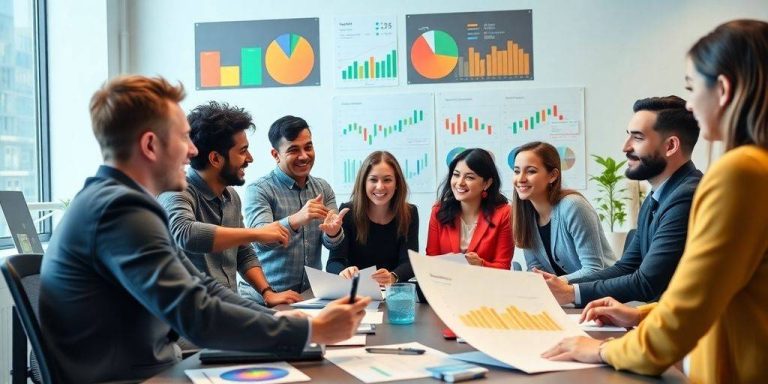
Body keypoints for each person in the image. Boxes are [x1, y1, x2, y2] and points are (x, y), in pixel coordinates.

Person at [39, 76, 370, 383]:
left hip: (149, 366)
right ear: (151, 145)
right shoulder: (118, 211)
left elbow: (203, 288)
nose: (193, 150)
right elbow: (197, 314)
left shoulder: (124, 202)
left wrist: (297, 323)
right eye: (184, 137)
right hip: (134, 376)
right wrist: (310, 331)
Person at [543, 20, 768, 383]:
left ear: (723, 89)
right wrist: (641, 315)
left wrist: (601, 350)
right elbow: (717, 290)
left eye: (693, 89)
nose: (691, 106)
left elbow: (689, 307)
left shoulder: (739, 172)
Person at [539, 96, 702, 306]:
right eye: (628, 136)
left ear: (670, 145)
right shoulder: (658, 197)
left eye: (638, 138)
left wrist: (571, 293)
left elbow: (647, 282)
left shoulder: (687, 197)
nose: (625, 147)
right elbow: (626, 266)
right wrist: (562, 285)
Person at [158, 101, 302, 306]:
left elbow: (243, 251)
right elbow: (186, 233)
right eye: (243, 151)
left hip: (227, 312)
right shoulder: (176, 190)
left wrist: (267, 292)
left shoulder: (231, 196)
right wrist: (258, 233)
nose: (250, 158)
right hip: (190, 325)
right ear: (216, 158)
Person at [242, 115, 348, 299]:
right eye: (293, 150)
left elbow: (334, 243)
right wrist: (296, 219)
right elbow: (260, 240)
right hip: (265, 298)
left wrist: (333, 232)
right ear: (276, 155)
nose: (304, 156)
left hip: (309, 296)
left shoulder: (322, 188)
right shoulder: (259, 190)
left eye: (308, 147)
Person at [512, 141, 616, 281]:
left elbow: (593, 269)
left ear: (553, 176)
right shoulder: (525, 216)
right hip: (567, 298)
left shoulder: (573, 206)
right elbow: (535, 269)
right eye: (517, 171)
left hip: (604, 292)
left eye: (531, 171)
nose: (520, 179)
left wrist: (556, 283)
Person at [327, 151, 418, 285]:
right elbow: (334, 262)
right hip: (355, 292)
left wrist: (393, 276)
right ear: (364, 182)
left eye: (387, 180)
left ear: (397, 183)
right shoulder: (348, 212)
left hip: (392, 293)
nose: (380, 186)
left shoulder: (410, 213)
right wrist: (342, 272)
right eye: (373, 180)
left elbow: (409, 262)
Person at [426, 148, 513, 269]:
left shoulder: (504, 214)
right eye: (456, 175)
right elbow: (432, 260)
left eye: (469, 177)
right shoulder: (438, 211)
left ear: (486, 183)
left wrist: (481, 264)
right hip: (447, 284)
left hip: (486, 285)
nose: (460, 182)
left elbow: (503, 266)